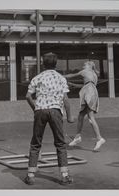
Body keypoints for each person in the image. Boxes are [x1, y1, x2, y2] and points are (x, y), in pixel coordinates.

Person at [24, 52, 75, 185]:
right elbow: (65, 99)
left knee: (36, 142)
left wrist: (35, 108)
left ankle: (30, 175)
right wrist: (70, 116)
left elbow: (28, 96)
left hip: (40, 110)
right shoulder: (61, 78)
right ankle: (64, 176)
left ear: (43, 63)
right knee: (60, 143)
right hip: (55, 110)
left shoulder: (37, 77)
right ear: (56, 63)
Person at [64, 61, 106, 151]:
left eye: (85, 64)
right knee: (81, 116)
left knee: (91, 118)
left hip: (89, 93)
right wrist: (72, 84)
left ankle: (99, 138)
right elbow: (84, 85)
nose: (83, 65)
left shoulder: (86, 71)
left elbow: (72, 75)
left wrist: (61, 76)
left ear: (89, 66)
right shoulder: (93, 74)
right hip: (91, 92)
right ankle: (78, 137)